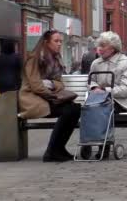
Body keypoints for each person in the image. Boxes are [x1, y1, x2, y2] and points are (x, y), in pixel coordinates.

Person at [18, 30, 81, 162]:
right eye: (56, 41)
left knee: (75, 108)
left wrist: (51, 84)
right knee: (69, 110)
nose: (59, 44)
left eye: (60, 41)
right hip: (33, 100)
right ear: (46, 43)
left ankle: (58, 148)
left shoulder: (56, 59)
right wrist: (52, 94)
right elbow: (36, 86)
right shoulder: (34, 58)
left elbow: (60, 84)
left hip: (48, 98)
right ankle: (52, 151)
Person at [87, 31, 127, 159]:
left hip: (122, 102)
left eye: (103, 46)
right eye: (99, 45)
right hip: (100, 101)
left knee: (102, 110)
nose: (100, 49)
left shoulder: (125, 63)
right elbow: (90, 81)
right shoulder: (96, 63)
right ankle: (90, 142)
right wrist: (94, 87)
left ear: (113, 48)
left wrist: (105, 91)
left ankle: (103, 146)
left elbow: (126, 89)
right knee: (90, 110)